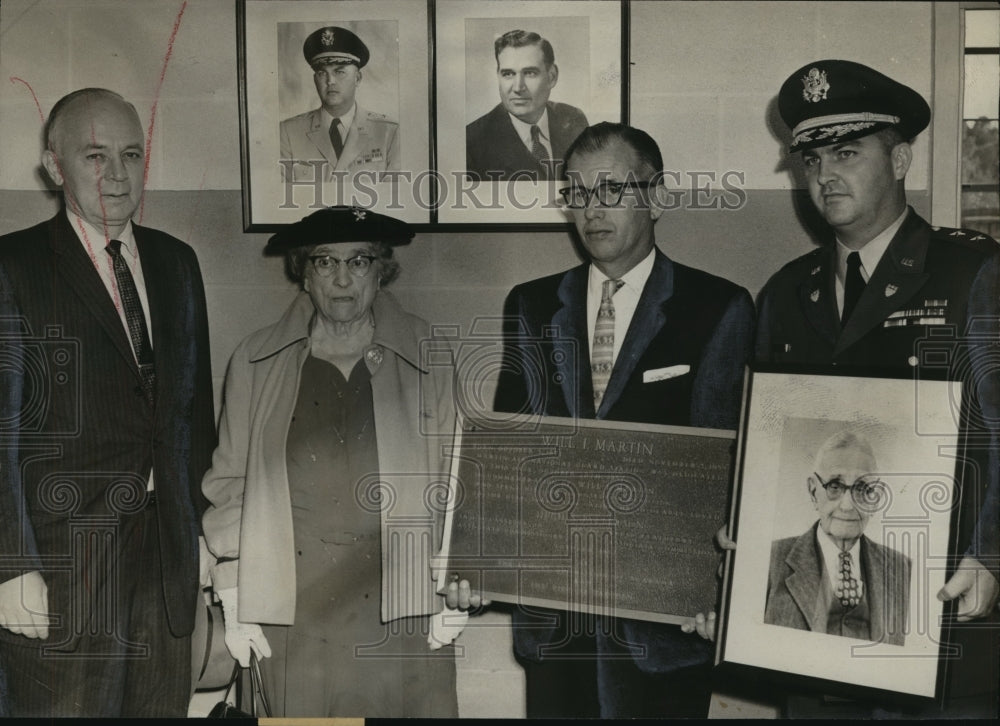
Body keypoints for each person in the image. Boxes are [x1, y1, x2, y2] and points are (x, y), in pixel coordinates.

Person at [754, 59, 1000, 717]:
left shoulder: (971, 274)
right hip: (813, 637)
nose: (824, 175)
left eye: (846, 152)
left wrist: (992, 555)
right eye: (810, 160)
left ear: (900, 159)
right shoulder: (784, 295)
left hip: (946, 610)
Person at [493, 122, 755, 718]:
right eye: (577, 193)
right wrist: (480, 561)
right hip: (556, 620)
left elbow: (727, 468)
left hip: (663, 628)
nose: (591, 210)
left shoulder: (716, 306)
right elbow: (509, 453)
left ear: (656, 197)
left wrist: (714, 591)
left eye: (610, 190)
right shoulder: (532, 304)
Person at [201, 206, 476, 718]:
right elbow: (230, 484)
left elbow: (457, 475)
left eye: (359, 261)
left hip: (403, 603)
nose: (342, 279)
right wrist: (235, 593)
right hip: (293, 608)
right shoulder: (256, 359)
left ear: (381, 269)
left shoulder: (428, 352)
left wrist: (461, 579)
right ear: (303, 272)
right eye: (325, 262)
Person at [0, 88, 216, 717]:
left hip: (165, 562)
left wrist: (200, 537)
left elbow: (192, 414)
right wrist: (11, 565)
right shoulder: (14, 265)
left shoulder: (178, 263)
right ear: (53, 165)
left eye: (131, 153)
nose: (117, 174)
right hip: (63, 564)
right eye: (95, 156)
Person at [764, 431, 910, 646]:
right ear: (813, 491)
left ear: (876, 497)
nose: (848, 505)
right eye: (835, 486)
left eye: (862, 488)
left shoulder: (904, 570)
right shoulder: (769, 559)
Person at [280, 26, 399, 183]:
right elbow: (280, 197)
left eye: (339, 72)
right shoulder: (288, 133)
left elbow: (394, 197)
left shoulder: (388, 133)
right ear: (314, 79)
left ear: (358, 78)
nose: (330, 81)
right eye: (322, 73)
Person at [466, 29, 588, 182]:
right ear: (498, 76)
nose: (518, 87)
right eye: (508, 74)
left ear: (552, 77)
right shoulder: (471, 142)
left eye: (530, 73)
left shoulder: (573, 119)